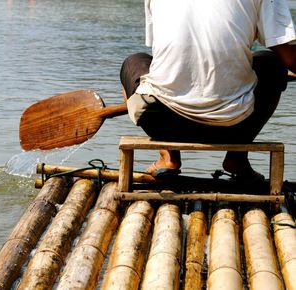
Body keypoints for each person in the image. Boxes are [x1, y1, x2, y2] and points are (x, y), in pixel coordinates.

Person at [121, 0, 296, 182]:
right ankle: (237, 158)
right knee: (272, 64)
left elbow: (171, 53)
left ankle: (169, 157)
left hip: (163, 123)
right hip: (234, 127)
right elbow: (290, 57)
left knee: (134, 62)